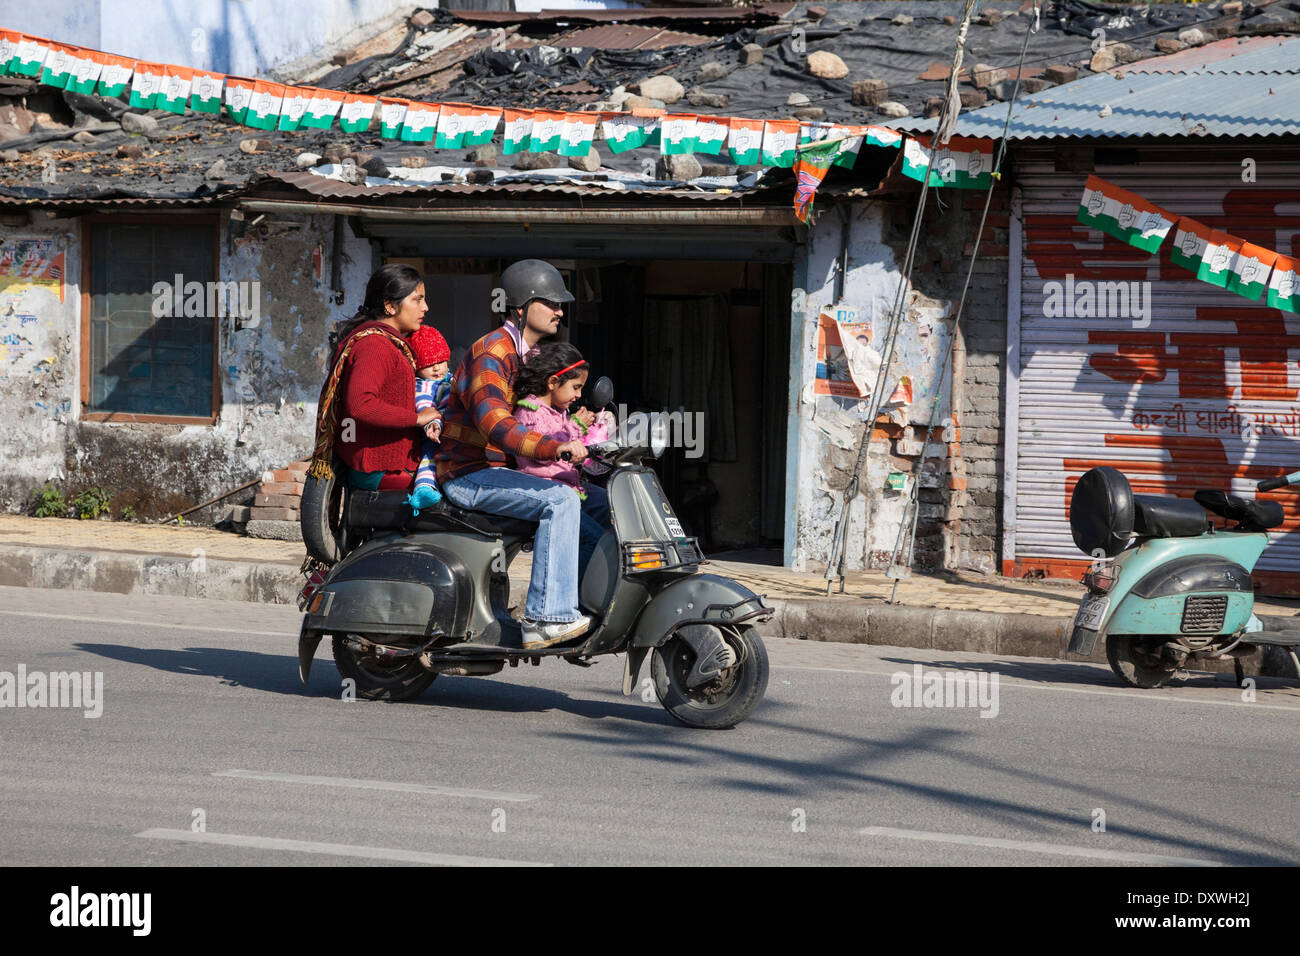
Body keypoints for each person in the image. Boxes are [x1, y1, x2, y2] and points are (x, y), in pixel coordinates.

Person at [435, 259, 599, 650]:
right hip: (469, 474)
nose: (560, 311)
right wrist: (554, 447)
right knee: (559, 501)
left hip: (500, 472)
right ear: (522, 308)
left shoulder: (529, 355)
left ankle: (581, 607)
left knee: (598, 509)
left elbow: (547, 409)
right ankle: (547, 617)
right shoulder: (492, 352)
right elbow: (496, 425)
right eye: (551, 303)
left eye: (561, 305)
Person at [309, 263, 440, 491]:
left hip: (387, 466)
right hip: (378, 470)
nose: (425, 307)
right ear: (390, 306)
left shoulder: (390, 343)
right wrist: (417, 418)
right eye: (417, 300)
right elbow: (361, 405)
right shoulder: (375, 346)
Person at [511, 343, 614, 511]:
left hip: (569, 486)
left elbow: (569, 445)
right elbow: (543, 450)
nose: (579, 395)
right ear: (553, 382)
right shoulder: (530, 411)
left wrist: (594, 428)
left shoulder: (558, 411)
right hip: (547, 492)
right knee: (593, 536)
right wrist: (575, 426)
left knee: (609, 503)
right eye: (576, 387)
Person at [408, 325, 453, 512]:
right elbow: (425, 406)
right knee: (430, 459)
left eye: (441, 361)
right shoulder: (423, 386)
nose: (436, 368)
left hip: (452, 429)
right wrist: (434, 423)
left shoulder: (450, 379)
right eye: (428, 364)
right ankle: (423, 490)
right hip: (434, 434)